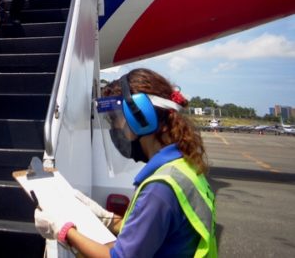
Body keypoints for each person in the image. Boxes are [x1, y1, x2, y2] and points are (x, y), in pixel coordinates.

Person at [34, 68, 217, 258]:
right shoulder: (183, 168)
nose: (115, 127)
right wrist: (107, 219)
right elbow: (151, 234)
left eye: (116, 118)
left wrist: (64, 231)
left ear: (142, 118)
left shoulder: (159, 189)